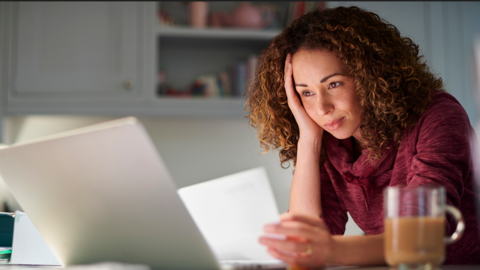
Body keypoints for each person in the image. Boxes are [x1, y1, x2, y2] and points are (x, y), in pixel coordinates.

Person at [245, 6, 480, 267]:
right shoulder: (330, 139)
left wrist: (332, 251)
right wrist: (309, 141)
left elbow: (423, 236)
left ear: (370, 75)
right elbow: (310, 240)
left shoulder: (438, 115)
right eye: (306, 93)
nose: (322, 108)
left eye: (333, 84)